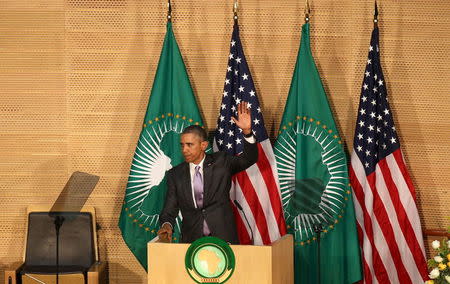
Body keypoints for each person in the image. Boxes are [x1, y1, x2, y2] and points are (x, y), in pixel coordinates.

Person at [157, 102, 257, 244]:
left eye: (189, 145)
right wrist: (166, 225)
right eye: (182, 145)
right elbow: (169, 208)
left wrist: (247, 132)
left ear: (203, 145)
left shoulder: (221, 162)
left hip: (223, 238)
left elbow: (249, 159)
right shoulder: (175, 174)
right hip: (192, 241)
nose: (184, 149)